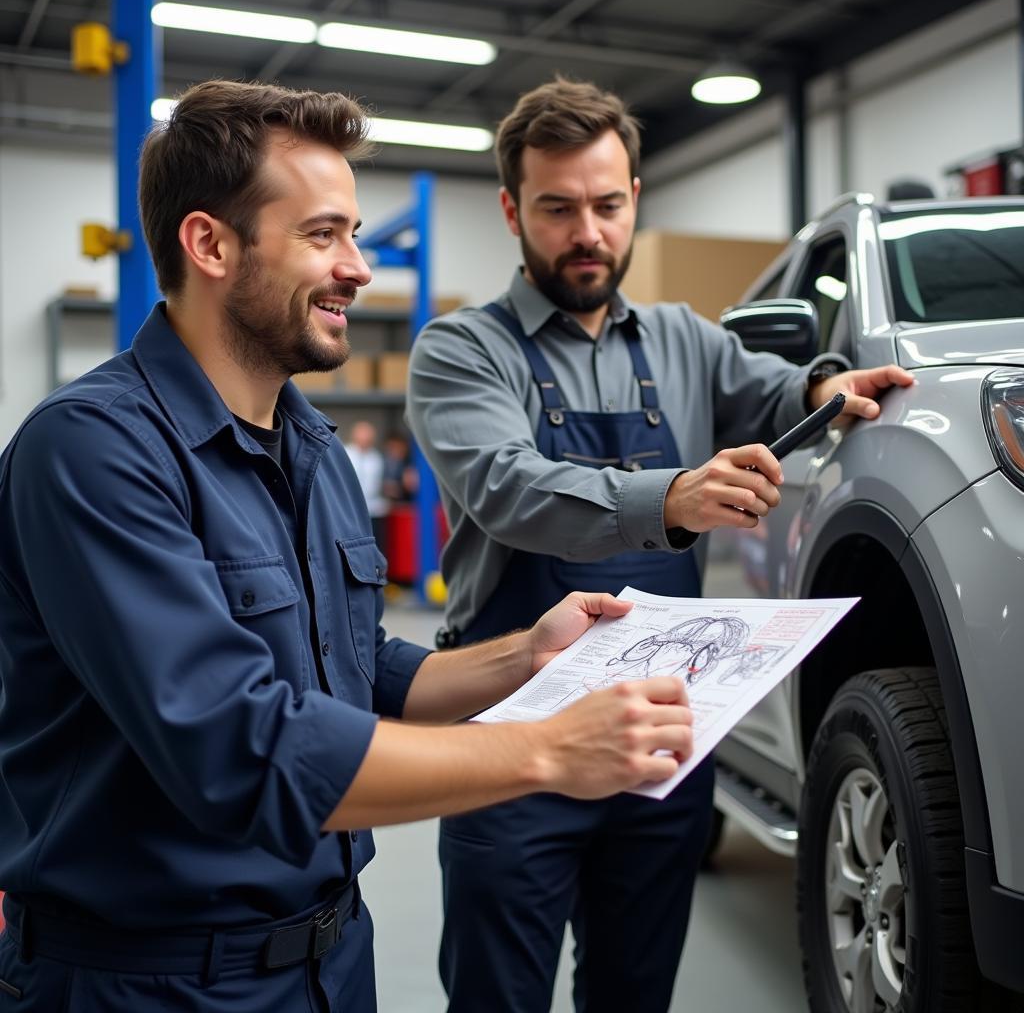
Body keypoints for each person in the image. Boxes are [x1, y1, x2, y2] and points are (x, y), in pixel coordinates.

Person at [0, 81, 699, 1013]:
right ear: (210, 243)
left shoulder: (312, 448)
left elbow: (359, 663)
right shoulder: (92, 452)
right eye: (323, 235)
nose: (359, 269)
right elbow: (240, 749)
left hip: (329, 962)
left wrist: (522, 660)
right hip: (148, 982)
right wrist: (548, 752)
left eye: (356, 234)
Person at [406, 77, 915, 1013]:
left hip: (660, 737)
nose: (586, 233)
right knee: (494, 997)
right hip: (512, 737)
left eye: (606, 205)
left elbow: (775, 385)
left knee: (636, 993)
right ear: (514, 210)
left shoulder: (686, 339)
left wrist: (825, 386)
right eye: (557, 209)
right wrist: (674, 495)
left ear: (634, 197)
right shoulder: (460, 350)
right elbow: (510, 489)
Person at [344, 419, 388, 549]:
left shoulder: (376, 457)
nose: (366, 438)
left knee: (374, 544)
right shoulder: (346, 453)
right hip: (350, 510)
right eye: (363, 434)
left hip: (372, 510)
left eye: (369, 435)